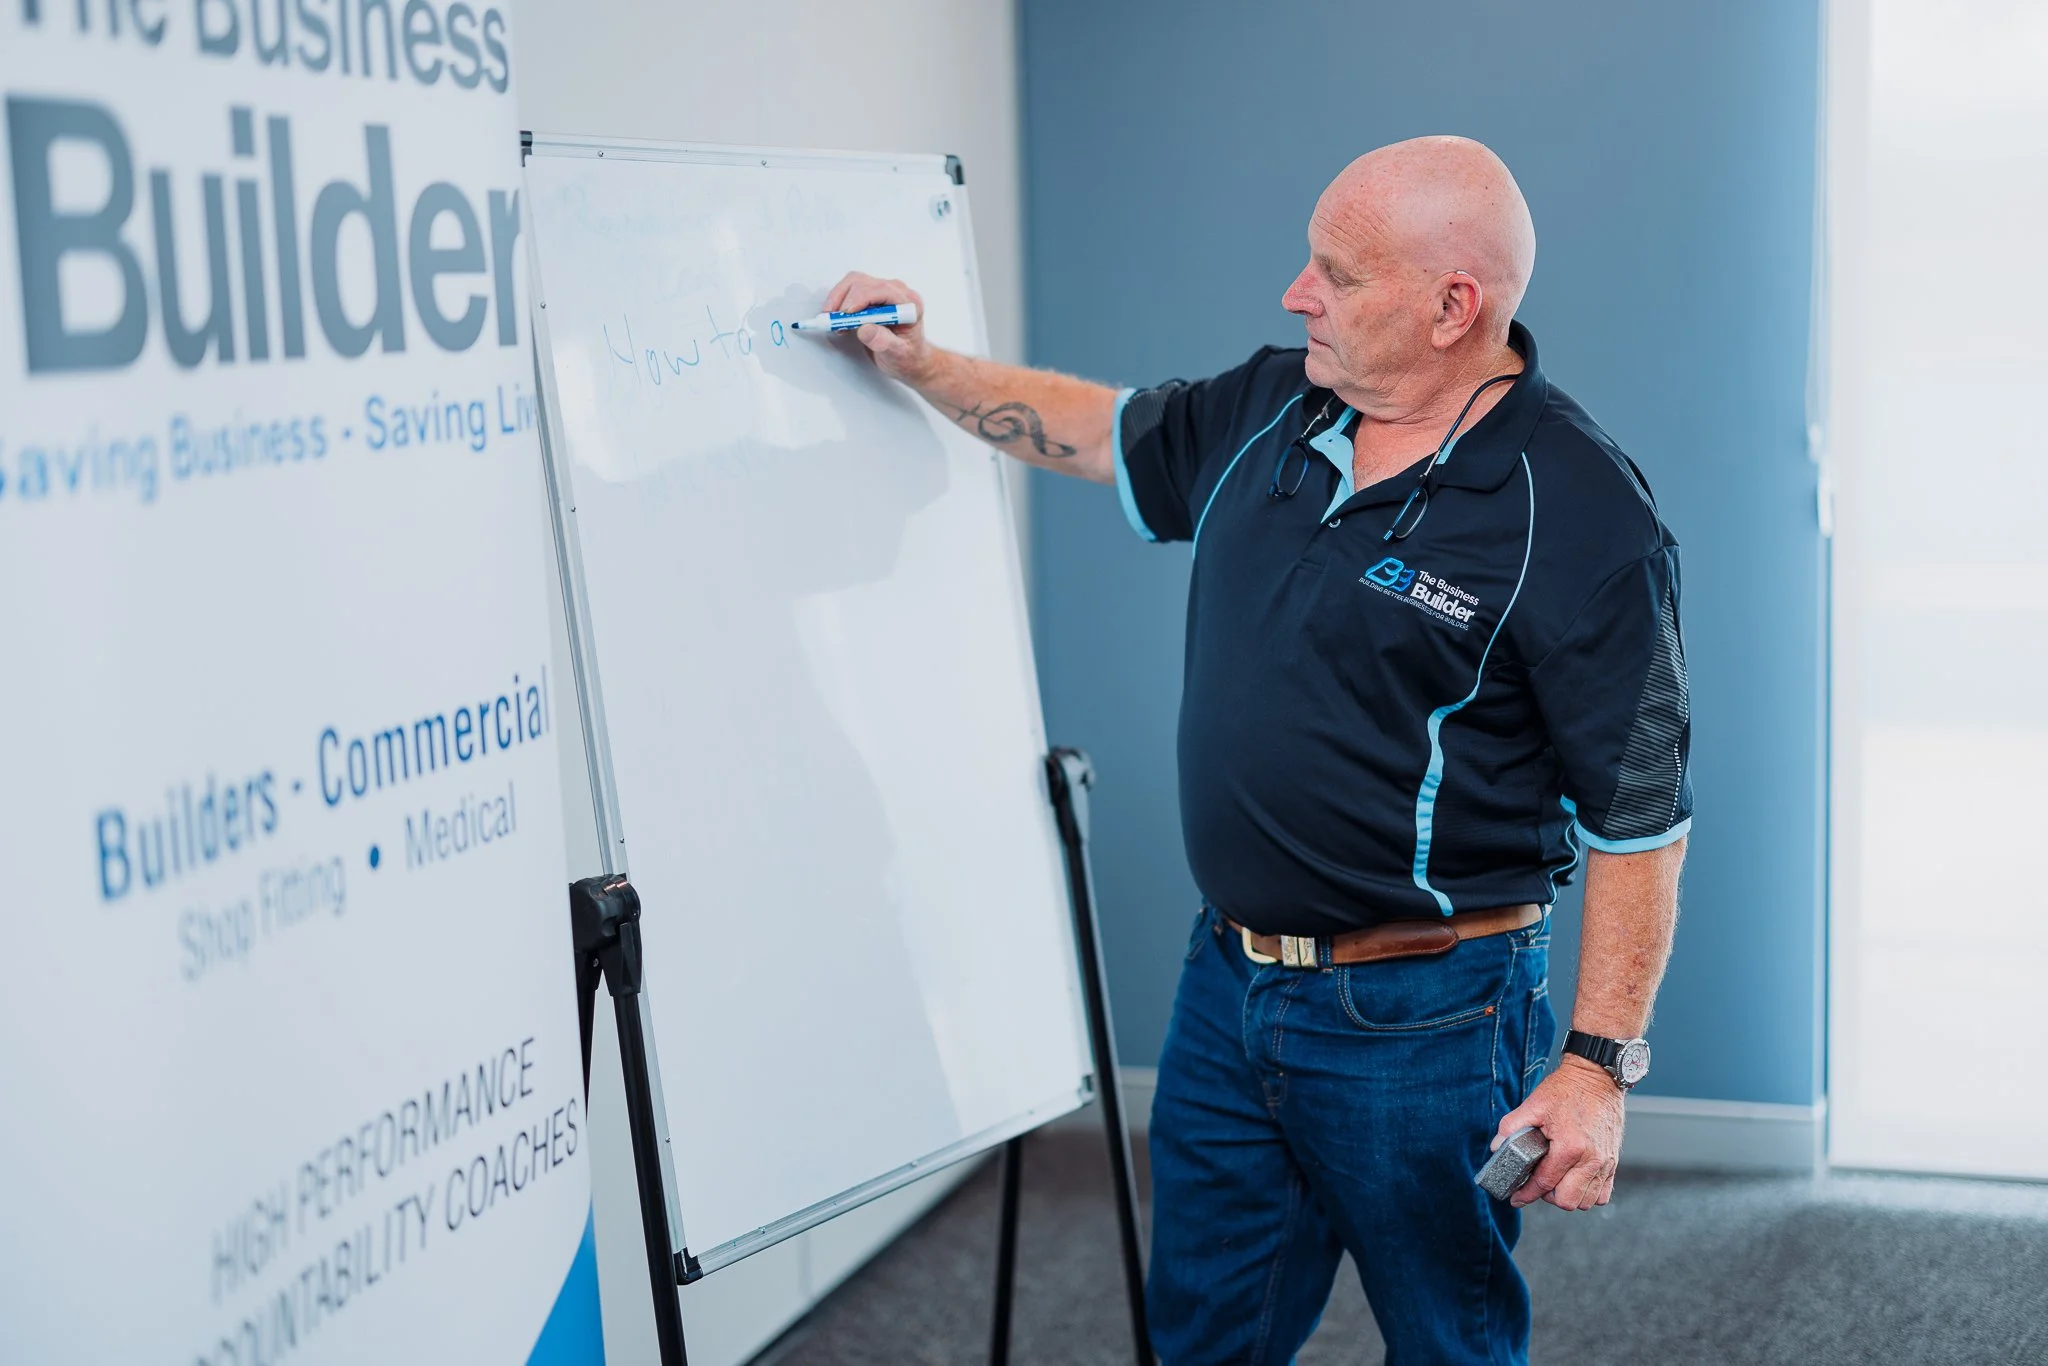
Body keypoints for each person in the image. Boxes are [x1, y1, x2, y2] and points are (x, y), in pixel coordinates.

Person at [823, 135, 1690, 1366]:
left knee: (1449, 1340)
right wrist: (918, 364)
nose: (1295, 295)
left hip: (1424, 1015)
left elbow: (1640, 815)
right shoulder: (1272, 404)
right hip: (1226, 982)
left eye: (1335, 274)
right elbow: (1093, 430)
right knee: (1202, 1335)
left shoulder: (1582, 511)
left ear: (1455, 307)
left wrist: (1597, 1067)